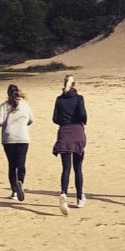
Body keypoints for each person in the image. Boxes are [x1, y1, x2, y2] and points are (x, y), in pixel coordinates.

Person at [52, 74, 87, 214]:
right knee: (78, 168)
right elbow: (83, 115)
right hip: (78, 132)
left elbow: (55, 118)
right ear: (74, 85)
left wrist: (64, 122)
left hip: (64, 132)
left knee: (65, 168)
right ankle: (79, 197)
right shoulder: (79, 98)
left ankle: (64, 193)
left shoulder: (59, 100)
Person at [0, 83, 34, 201]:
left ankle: (14, 191)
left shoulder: (4, 106)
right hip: (23, 137)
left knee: (12, 165)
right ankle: (20, 182)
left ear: (7, 94)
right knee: (21, 164)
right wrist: (22, 123)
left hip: (9, 138)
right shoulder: (25, 105)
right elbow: (31, 119)